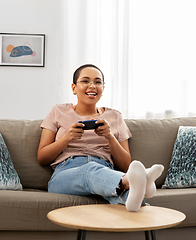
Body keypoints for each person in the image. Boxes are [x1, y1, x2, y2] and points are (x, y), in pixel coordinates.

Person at [37, 64, 164, 212]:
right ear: (73, 87)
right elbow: (42, 158)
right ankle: (133, 180)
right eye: (85, 81)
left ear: (103, 89)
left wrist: (110, 137)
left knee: (134, 199)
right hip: (65, 174)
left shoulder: (115, 116)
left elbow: (125, 164)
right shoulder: (58, 111)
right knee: (90, 170)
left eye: (98, 82)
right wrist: (67, 138)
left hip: (105, 173)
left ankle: (134, 189)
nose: (92, 86)